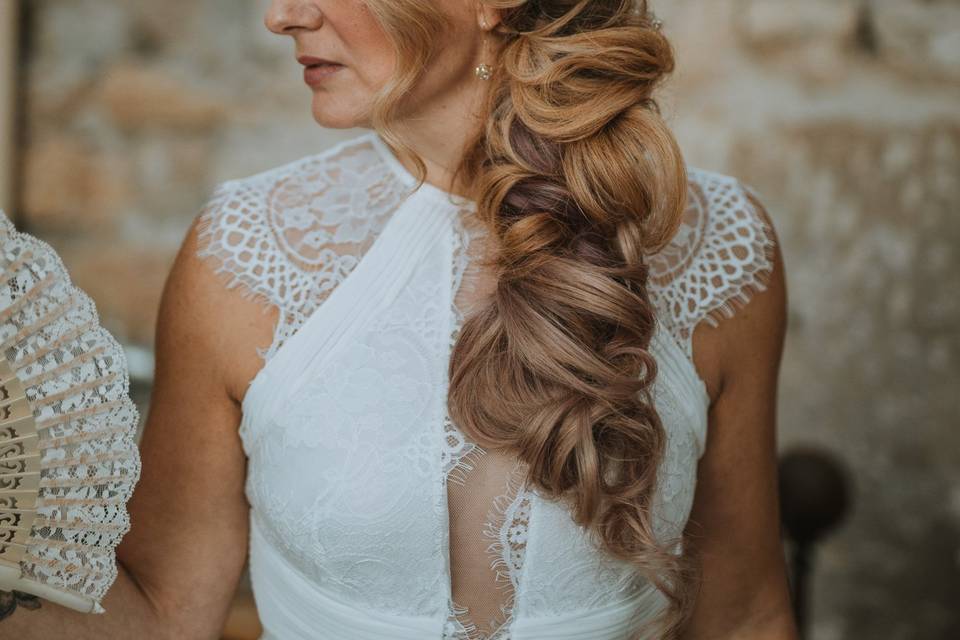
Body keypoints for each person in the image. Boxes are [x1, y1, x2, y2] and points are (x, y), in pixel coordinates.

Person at [4, 1, 798, 638]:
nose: (280, 16)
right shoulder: (243, 255)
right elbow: (166, 618)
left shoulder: (722, 247)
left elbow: (744, 613)